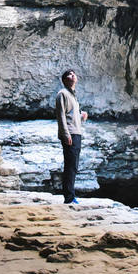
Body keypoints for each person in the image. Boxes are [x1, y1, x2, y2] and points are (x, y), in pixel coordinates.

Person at [55, 69, 88, 205]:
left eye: (74, 73)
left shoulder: (73, 96)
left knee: (73, 165)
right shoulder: (62, 94)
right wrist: (66, 134)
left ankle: (70, 195)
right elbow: (61, 115)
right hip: (70, 134)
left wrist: (82, 117)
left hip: (77, 133)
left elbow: (72, 116)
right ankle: (69, 197)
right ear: (64, 80)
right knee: (70, 166)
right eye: (69, 74)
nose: (73, 75)